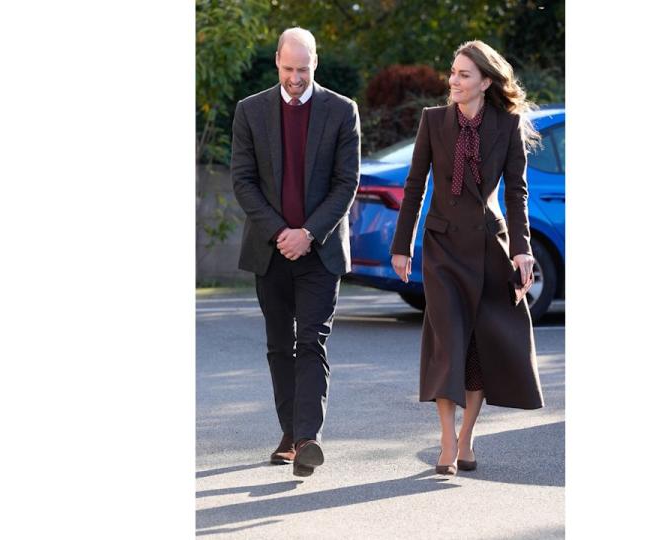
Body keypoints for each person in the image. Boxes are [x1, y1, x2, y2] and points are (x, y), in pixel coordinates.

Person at [390, 40, 544, 475]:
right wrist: (402, 246)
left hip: (487, 250)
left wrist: (522, 250)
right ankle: (444, 439)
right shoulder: (433, 122)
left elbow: (516, 193)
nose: (453, 81)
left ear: (486, 82)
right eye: (453, 73)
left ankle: (466, 437)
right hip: (441, 250)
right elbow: (415, 185)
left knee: (477, 347)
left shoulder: (506, 125)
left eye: (464, 75)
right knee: (447, 343)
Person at [231, 27, 361, 477]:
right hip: (271, 252)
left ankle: (307, 439)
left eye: (302, 69)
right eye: (288, 69)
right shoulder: (250, 111)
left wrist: (307, 232)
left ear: (315, 64)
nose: (295, 78)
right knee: (278, 347)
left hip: (320, 253)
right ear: (277, 62)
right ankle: (290, 434)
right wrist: (280, 232)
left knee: (311, 342)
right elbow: (243, 181)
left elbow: (347, 183)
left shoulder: (342, 111)